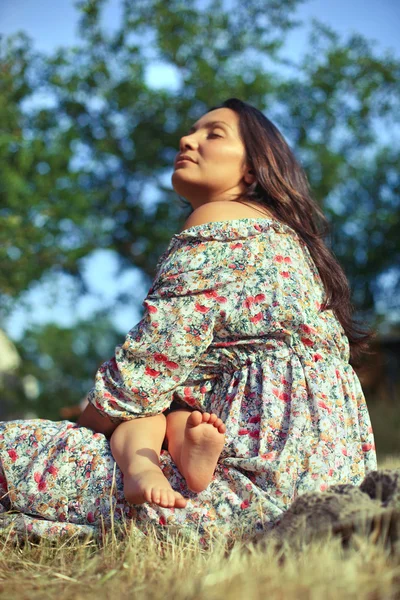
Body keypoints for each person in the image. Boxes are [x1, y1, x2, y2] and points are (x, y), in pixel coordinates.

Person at [0, 98, 377, 546]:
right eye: (192, 131)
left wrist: (75, 435)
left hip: (254, 481)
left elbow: (144, 372)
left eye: (213, 133)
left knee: (14, 450)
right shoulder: (284, 241)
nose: (187, 139)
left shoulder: (222, 219)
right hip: (330, 476)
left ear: (252, 171)